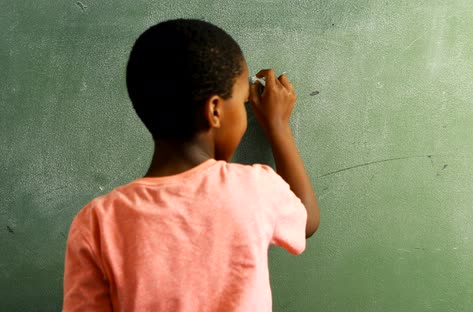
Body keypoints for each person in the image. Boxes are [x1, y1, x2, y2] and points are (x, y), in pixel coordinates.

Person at [63, 18, 320, 311]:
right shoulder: (255, 188)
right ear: (215, 110)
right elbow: (306, 219)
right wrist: (278, 126)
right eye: (241, 100)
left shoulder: (97, 222)